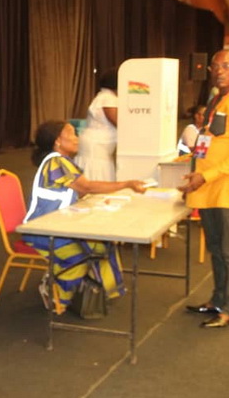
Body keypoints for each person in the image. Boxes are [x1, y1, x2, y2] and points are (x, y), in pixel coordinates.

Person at [178, 50, 229, 328]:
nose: (219, 71)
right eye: (215, 66)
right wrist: (196, 176)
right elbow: (209, 142)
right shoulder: (216, 99)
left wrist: (207, 176)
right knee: (216, 247)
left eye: (226, 66)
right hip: (210, 187)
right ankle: (217, 300)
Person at [23, 120, 145, 313]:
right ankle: (54, 294)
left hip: (59, 226)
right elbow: (86, 186)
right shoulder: (56, 162)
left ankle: (108, 292)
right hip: (42, 231)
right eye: (71, 134)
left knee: (102, 244)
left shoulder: (62, 161)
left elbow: (78, 191)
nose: (77, 138)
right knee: (78, 259)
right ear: (58, 141)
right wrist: (126, 184)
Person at [75, 68, 119, 181]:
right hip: (96, 147)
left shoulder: (103, 96)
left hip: (96, 145)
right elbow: (119, 122)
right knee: (96, 177)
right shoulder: (108, 99)